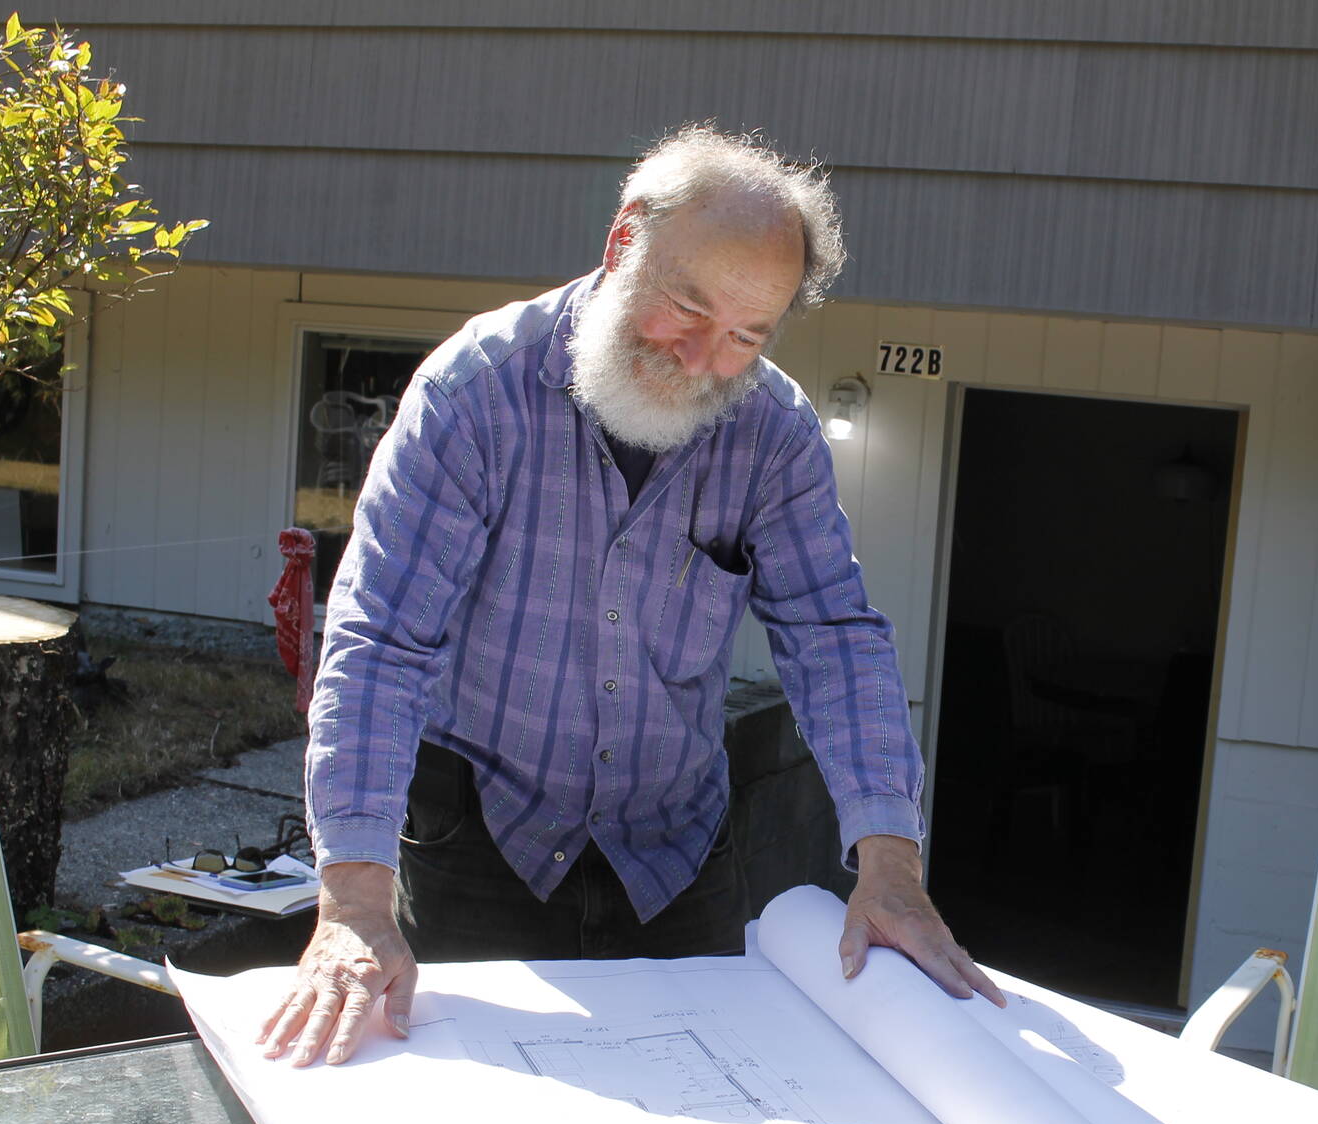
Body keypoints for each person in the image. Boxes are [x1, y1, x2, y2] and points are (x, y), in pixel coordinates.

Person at [257, 126, 1001, 1067]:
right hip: (483, 839)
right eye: (688, 309)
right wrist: (355, 905)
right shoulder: (475, 392)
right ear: (622, 247)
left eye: (745, 335)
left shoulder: (773, 433)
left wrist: (891, 864)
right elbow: (381, 643)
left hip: (676, 853)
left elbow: (835, 639)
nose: (702, 360)